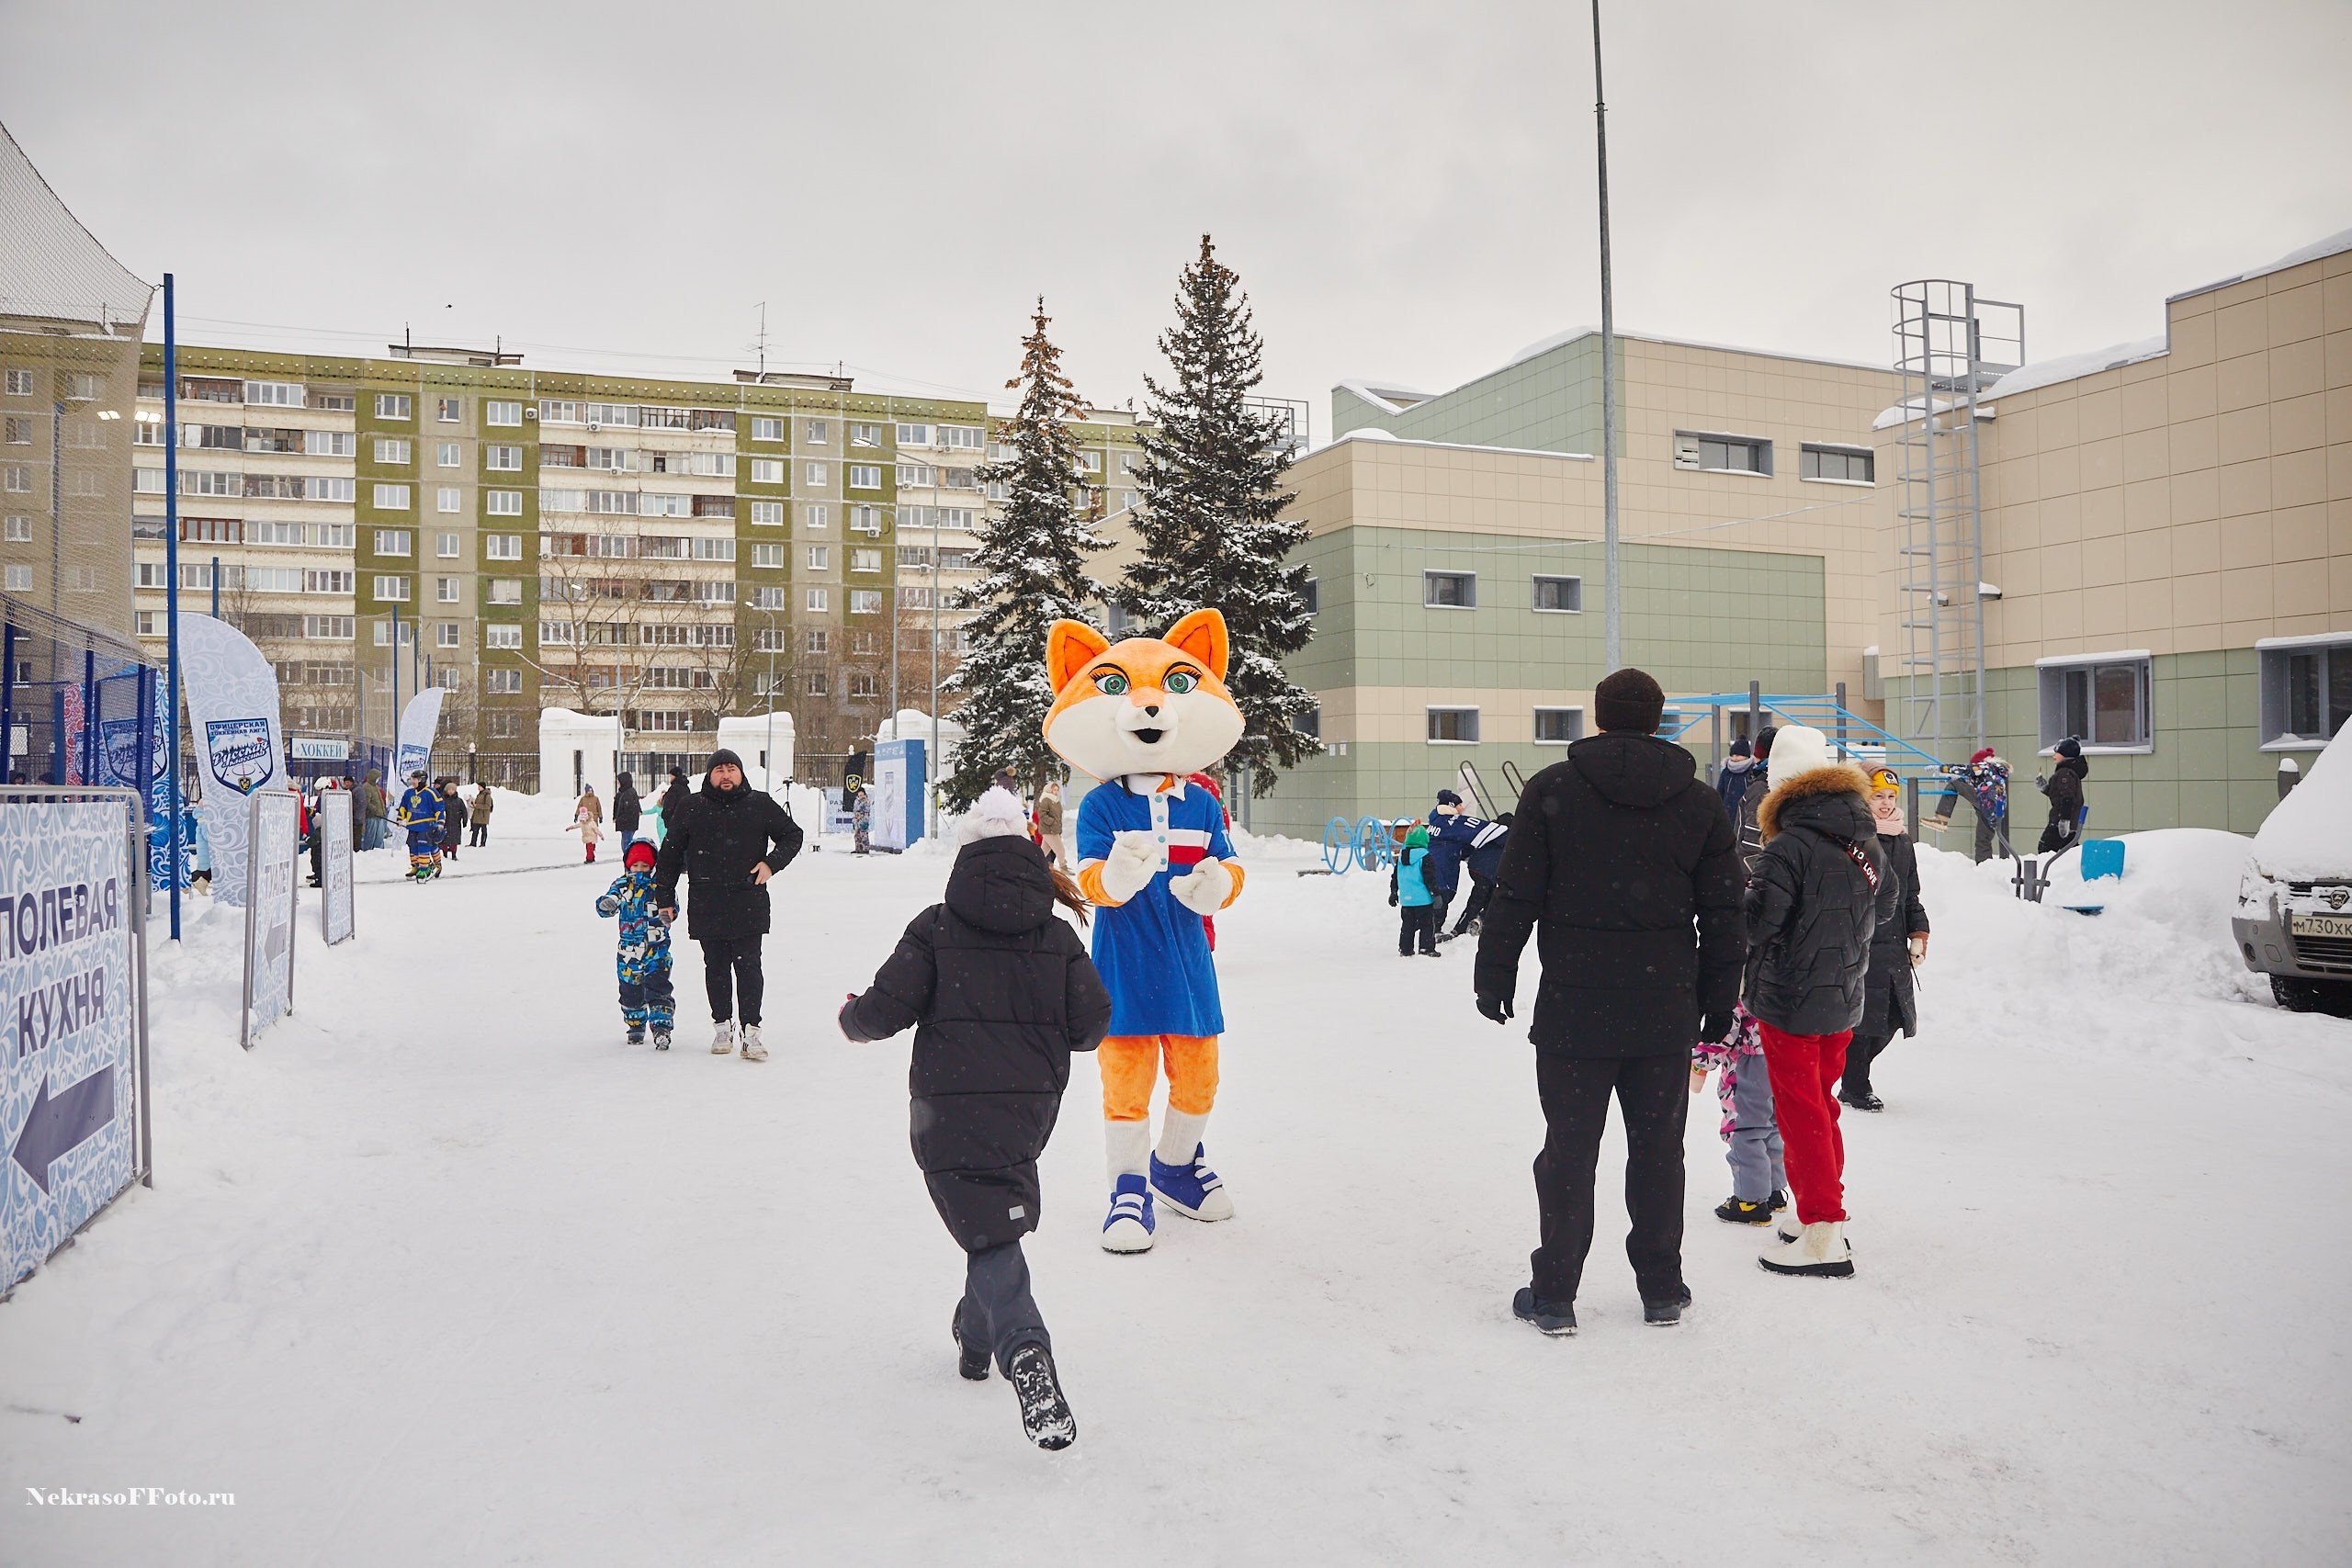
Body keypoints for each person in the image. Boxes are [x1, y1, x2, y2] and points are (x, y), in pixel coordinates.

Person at [837, 785, 1111, 1451]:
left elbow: (884, 1009)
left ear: (966, 855)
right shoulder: (1057, 936)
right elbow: (1091, 1026)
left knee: (989, 1236)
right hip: (1028, 1108)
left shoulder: (937, 926)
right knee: (991, 1224)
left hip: (947, 1106)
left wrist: (850, 1017)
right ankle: (974, 1339)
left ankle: (1025, 1348)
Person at [1474, 667, 1745, 1335]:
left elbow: (1515, 892)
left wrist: (1495, 973)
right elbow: (1725, 911)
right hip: (1665, 1009)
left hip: (1574, 1007)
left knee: (1569, 1150)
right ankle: (1661, 1288)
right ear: (1658, 719)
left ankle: (1555, 1295)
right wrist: (1720, 1000)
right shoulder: (1699, 802)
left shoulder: (1552, 790)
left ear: (1599, 717)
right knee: (1659, 1150)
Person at [1740, 726, 1899, 1280]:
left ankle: (1824, 1229)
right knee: (1821, 1105)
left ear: (1781, 785)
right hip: (1843, 996)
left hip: (1791, 1001)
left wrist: (1739, 894)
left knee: (1800, 1112)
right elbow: (1887, 903)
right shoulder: (1865, 839)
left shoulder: (1788, 847)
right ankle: (1818, 1212)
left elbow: (1758, 925)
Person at [654, 747, 803, 1061]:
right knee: (716, 968)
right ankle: (722, 1026)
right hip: (706, 901)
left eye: (731, 769)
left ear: (740, 773)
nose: (726, 775)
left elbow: (792, 835)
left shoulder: (759, 803)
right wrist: (664, 897)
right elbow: (669, 854)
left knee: (749, 967)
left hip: (748, 899)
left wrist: (771, 864)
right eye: (719, 770)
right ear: (710, 775)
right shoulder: (692, 806)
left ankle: (751, 1033)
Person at [1840, 767, 1931, 1112]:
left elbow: (1911, 894)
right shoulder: (1854, 838)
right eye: (1877, 796)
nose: (1885, 803)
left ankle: (1852, 1076)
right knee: (1863, 1020)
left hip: (1893, 944)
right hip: (1861, 942)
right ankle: (1855, 1085)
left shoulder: (1903, 841)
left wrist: (1918, 932)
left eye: (1891, 796)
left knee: (1893, 1017)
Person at [1690, 1007, 1787, 1225]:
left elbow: (1725, 1028)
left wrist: (1700, 1063)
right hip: (1782, 1055)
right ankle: (1773, 1191)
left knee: (1745, 1130)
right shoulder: (1782, 984)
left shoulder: (1744, 990)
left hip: (1750, 1062)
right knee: (1772, 1125)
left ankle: (1750, 1201)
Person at [596, 840, 675, 1049]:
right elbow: (611, 901)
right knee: (630, 992)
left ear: (653, 866)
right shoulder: (622, 885)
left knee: (658, 990)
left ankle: (662, 1028)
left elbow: (671, 905)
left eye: (645, 866)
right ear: (628, 865)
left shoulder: (660, 886)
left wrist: (669, 914)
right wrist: (607, 904)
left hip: (657, 952)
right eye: (635, 865)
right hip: (628, 954)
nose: (639, 870)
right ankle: (635, 1026)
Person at [1927, 748, 2010, 863]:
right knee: (1983, 840)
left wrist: (1941, 768)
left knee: (1954, 785)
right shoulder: (1993, 772)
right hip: (1994, 810)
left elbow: (1964, 769)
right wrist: (1960, 779)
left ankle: (1941, 819)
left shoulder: (1985, 766)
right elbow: (1975, 783)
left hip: (1986, 802)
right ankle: (1984, 866)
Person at [1444, 814, 1510, 941]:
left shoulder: (1490, 831)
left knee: (1487, 895)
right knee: (1482, 899)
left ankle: (1478, 919)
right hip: (1489, 872)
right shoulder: (1509, 837)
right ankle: (1462, 927)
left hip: (1476, 868)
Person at [1422, 790, 1472, 932]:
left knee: (1437, 900)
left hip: (1435, 868)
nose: (1462, 808)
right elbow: (1464, 841)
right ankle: (1433, 932)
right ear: (1451, 806)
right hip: (1442, 870)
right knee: (1441, 900)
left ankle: (1430, 930)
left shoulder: (1436, 822)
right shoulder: (1451, 825)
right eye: (1459, 805)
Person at [1389, 822, 1440, 957]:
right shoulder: (1425, 856)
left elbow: (1396, 877)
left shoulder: (1401, 857)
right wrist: (1435, 894)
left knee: (1407, 926)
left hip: (1406, 901)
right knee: (1427, 925)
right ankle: (1426, 948)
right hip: (1423, 900)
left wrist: (1393, 892)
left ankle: (1405, 949)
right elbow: (1430, 878)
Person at [2035, 738, 2089, 855]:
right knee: (2068, 850)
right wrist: (2044, 787)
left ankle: (2053, 868)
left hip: (2061, 820)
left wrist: (2064, 820)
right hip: (2070, 820)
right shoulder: (2069, 771)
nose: (2054, 755)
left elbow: (2067, 798)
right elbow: (2059, 794)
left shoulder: (2064, 773)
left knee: (2046, 850)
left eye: (2057, 753)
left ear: (2066, 755)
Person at [1736, 725, 1777, 875]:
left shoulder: (1761, 786)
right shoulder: (1780, 782)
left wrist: (1745, 869)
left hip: (1753, 867)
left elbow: (1753, 837)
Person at [394, 768, 445, 881]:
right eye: (413, 779)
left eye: (415, 779)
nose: (413, 781)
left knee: (424, 847)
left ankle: (425, 868)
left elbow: (440, 809)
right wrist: (400, 818)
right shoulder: (409, 793)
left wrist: (440, 823)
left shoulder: (431, 793)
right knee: (412, 846)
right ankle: (415, 866)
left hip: (426, 826)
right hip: (412, 826)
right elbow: (403, 807)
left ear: (421, 780)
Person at [1715, 736, 1756, 820]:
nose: (1734, 758)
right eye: (1732, 755)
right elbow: (1719, 794)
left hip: (1747, 815)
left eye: (1737, 755)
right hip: (1728, 816)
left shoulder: (1753, 772)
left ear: (1746, 756)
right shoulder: (1726, 772)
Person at [657, 766, 692, 848]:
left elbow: (669, 805)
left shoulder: (674, 789)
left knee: (673, 845)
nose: (670, 778)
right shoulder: (686, 788)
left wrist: (666, 816)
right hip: (684, 820)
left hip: (674, 821)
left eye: (670, 776)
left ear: (674, 776)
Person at [1035, 778, 1066, 867]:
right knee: (1060, 850)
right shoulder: (1046, 799)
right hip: (1049, 830)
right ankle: (1063, 866)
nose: (1056, 792)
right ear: (1049, 790)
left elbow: (1058, 816)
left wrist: (1057, 826)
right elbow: (1042, 814)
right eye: (1054, 790)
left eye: (1057, 790)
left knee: (1043, 851)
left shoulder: (1056, 801)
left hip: (1054, 829)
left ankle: (1035, 865)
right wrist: (1052, 822)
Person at [439, 779, 468, 863]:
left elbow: (464, 811)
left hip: (455, 824)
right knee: (444, 840)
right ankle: (444, 854)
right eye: (449, 790)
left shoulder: (459, 801)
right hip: (445, 823)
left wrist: (464, 820)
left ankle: (454, 854)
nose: (451, 791)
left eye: (452, 790)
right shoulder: (442, 800)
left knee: (454, 841)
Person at [361, 768, 390, 852]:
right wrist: (375, 810)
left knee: (379, 837)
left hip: (379, 816)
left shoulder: (376, 787)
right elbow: (367, 802)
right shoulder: (366, 787)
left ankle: (379, 852)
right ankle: (368, 852)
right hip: (372, 816)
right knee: (370, 837)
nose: (378, 780)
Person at [612, 772, 642, 847]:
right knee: (626, 841)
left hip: (627, 823)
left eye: (619, 781)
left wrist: (620, 819)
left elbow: (630, 809)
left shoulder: (628, 793)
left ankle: (628, 853)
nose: (618, 783)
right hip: (626, 823)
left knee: (627, 843)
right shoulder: (623, 793)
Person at [851, 775, 872, 855]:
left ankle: (865, 848)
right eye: (859, 794)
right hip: (857, 820)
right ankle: (858, 848)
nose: (860, 795)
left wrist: (862, 800)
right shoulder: (856, 801)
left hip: (863, 820)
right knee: (857, 835)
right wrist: (854, 820)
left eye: (862, 794)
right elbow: (855, 810)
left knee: (864, 835)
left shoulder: (866, 801)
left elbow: (864, 809)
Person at [469, 784, 492, 848]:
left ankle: (483, 843)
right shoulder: (479, 795)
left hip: (483, 816)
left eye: (479, 786)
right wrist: (473, 804)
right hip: (477, 815)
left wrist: (477, 806)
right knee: (475, 830)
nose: (478, 788)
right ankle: (473, 843)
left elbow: (487, 806)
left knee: (483, 830)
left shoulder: (487, 796)